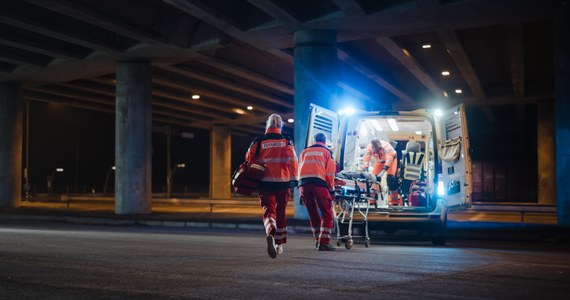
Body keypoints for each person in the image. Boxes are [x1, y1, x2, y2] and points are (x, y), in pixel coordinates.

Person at [245, 114, 298, 259]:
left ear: (267, 125)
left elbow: (249, 158)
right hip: (283, 182)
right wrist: (294, 179)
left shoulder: (259, 140)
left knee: (269, 211)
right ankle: (279, 243)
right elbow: (292, 160)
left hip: (264, 182)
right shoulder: (286, 140)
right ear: (280, 126)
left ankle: (270, 232)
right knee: (281, 212)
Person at [298, 133, 337, 251]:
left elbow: (300, 168)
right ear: (325, 141)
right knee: (327, 212)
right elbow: (330, 174)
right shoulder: (327, 152)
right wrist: (332, 190)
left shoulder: (304, 151)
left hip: (303, 184)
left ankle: (318, 240)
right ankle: (324, 242)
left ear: (313, 140)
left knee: (313, 213)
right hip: (318, 183)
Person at [361, 138, 401, 205]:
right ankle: (372, 201)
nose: (375, 150)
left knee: (391, 179)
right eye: (373, 148)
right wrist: (365, 168)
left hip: (391, 161)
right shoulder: (370, 147)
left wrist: (383, 170)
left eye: (376, 148)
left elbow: (389, 159)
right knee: (374, 179)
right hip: (379, 161)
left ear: (380, 145)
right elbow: (366, 158)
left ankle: (394, 202)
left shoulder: (387, 147)